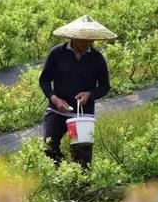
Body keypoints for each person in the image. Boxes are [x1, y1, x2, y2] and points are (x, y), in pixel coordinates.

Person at [39, 15, 116, 167]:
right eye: (85, 39)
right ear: (74, 37)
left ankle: (80, 185)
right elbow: (44, 80)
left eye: (91, 39)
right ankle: (62, 175)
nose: (89, 42)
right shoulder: (57, 53)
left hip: (83, 114)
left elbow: (105, 86)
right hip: (57, 110)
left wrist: (90, 94)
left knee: (83, 157)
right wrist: (55, 99)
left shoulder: (97, 58)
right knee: (48, 147)